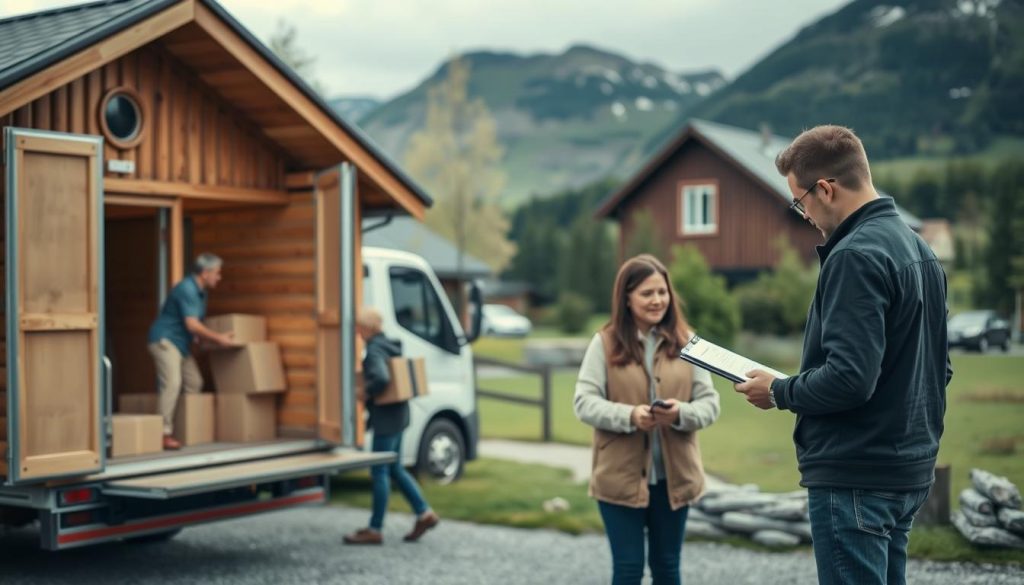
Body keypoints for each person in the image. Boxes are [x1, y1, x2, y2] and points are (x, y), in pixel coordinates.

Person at [735, 125, 952, 585]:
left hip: (857, 475)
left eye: (800, 202)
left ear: (826, 189)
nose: (804, 214)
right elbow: (940, 369)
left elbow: (850, 379)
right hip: (908, 469)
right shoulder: (920, 249)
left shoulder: (855, 255)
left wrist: (778, 390)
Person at [574, 254, 720, 585]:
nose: (657, 300)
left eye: (662, 292)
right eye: (646, 293)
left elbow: (711, 404)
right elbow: (583, 402)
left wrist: (680, 413)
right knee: (627, 569)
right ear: (626, 298)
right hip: (618, 478)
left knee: (668, 567)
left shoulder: (688, 342)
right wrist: (630, 415)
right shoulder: (604, 343)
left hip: (675, 479)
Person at [344, 307, 439, 545]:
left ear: (366, 328)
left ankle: (375, 529)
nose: (356, 332)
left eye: (358, 327)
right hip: (399, 415)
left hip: (386, 419)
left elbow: (382, 378)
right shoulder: (390, 344)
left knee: (380, 471)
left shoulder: (374, 350)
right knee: (395, 468)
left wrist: (366, 393)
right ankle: (424, 513)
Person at [147, 253, 237, 450]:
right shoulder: (187, 289)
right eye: (217, 273)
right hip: (165, 340)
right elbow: (192, 325)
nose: (219, 278)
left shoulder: (201, 291)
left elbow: (193, 327)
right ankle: (163, 433)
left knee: (194, 382)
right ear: (205, 273)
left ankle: (185, 428)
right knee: (172, 383)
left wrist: (204, 338)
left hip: (180, 344)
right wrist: (219, 338)